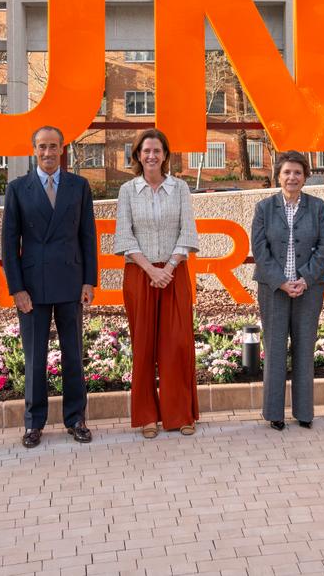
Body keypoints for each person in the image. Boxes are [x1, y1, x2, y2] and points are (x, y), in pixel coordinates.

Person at [2, 125, 97, 448]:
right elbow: (9, 243)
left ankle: (76, 419)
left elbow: (88, 237)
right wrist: (17, 289)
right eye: (42, 146)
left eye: (53, 146)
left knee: (73, 355)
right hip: (32, 286)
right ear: (34, 150)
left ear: (62, 149)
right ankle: (33, 423)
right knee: (35, 358)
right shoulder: (18, 188)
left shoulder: (79, 186)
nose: (47, 153)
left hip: (71, 282)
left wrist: (89, 281)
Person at [113, 129, 200, 437]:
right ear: (137, 155)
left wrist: (170, 267)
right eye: (145, 150)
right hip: (140, 274)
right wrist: (151, 269)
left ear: (165, 155)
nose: (151, 155)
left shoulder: (180, 188)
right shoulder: (127, 190)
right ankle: (147, 416)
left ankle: (179, 413)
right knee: (145, 345)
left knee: (176, 344)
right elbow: (124, 236)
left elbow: (187, 232)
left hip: (174, 274)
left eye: (157, 150)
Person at [250, 151, 324, 431]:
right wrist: (282, 281)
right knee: (274, 348)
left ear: (305, 177)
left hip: (309, 288)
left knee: (304, 346)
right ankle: (275, 412)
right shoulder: (264, 208)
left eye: (297, 172)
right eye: (287, 172)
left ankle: (304, 411)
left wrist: (305, 278)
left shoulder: (318, 207)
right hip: (273, 288)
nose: (292, 177)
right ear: (278, 176)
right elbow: (260, 250)